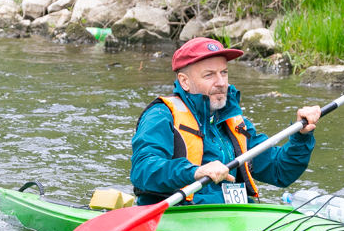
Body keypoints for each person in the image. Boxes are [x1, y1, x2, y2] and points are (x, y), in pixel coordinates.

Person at [131, 37, 322, 205]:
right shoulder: (161, 115)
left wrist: (301, 137)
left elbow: (280, 171)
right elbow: (143, 170)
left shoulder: (235, 122)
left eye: (223, 72)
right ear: (184, 81)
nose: (221, 82)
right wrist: (195, 172)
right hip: (184, 218)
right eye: (209, 75)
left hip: (234, 217)